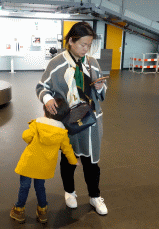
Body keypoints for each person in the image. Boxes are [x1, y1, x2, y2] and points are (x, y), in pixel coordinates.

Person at [36, 22, 108, 215]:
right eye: (83, 44)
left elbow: (102, 92)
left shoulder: (92, 63)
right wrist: (48, 98)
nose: (86, 49)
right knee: (69, 160)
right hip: (68, 122)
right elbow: (41, 86)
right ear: (71, 41)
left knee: (92, 163)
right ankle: (70, 192)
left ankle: (95, 196)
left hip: (91, 121)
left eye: (89, 45)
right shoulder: (57, 63)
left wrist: (101, 88)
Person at [10, 94, 78, 224]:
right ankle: (42, 211)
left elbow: (26, 137)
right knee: (40, 187)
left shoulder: (37, 124)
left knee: (24, 186)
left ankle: (19, 210)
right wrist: (74, 161)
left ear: (45, 109)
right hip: (44, 166)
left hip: (29, 163)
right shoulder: (62, 132)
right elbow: (67, 149)